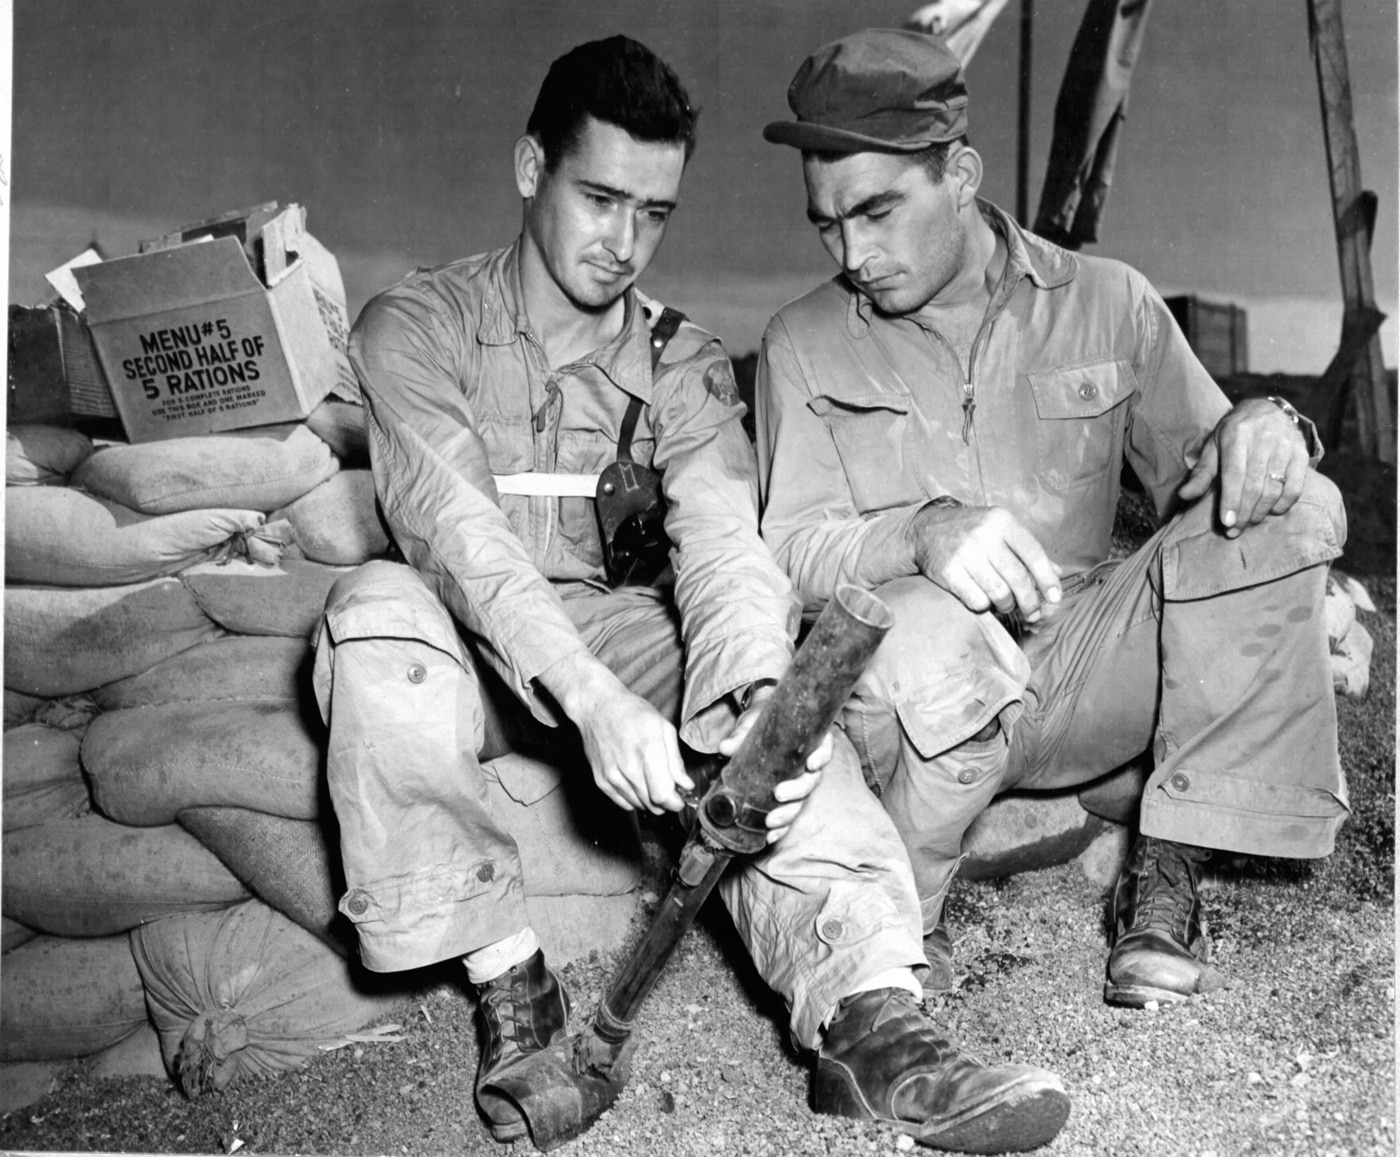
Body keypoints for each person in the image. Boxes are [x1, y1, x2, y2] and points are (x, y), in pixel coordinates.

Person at [314, 35, 1071, 1153]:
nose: (623, 243)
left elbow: (721, 540)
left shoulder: (682, 360)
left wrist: (756, 696)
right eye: (600, 197)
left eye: (654, 213)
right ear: (531, 169)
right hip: (463, 627)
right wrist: (587, 700)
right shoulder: (416, 327)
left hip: (621, 625)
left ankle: (871, 1019)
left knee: (765, 721)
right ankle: (509, 980)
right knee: (370, 622)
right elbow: (462, 541)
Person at [758, 27, 1346, 1015]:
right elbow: (785, 545)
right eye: (825, 224)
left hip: (1075, 667)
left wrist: (1266, 425)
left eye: (875, 211)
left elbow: (1222, 477)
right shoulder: (800, 343)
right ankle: (907, 912)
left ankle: (1163, 860)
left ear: (958, 174)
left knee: (1288, 514)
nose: (851, 253)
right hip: (904, 694)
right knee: (927, 628)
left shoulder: (1107, 303)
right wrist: (922, 532)